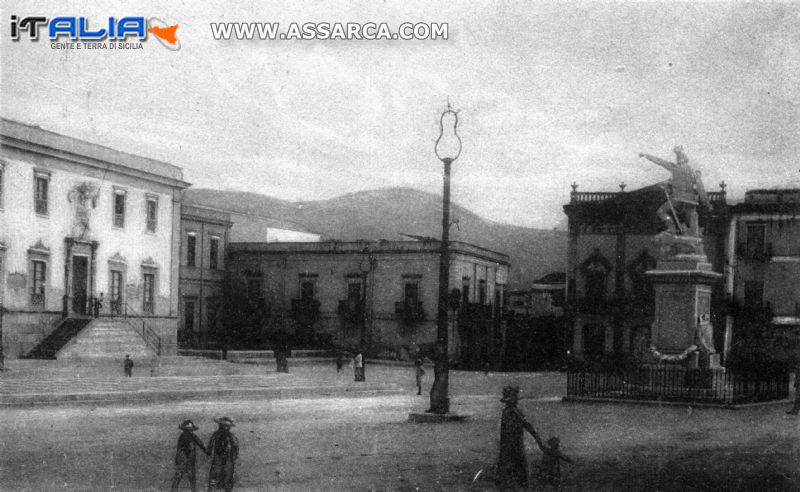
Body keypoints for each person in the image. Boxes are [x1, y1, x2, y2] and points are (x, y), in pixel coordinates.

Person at [639, 146, 710, 236]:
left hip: (678, 200)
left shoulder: (674, 168)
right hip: (691, 202)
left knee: (661, 211)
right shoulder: (694, 173)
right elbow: (701, 190)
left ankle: (671, 228)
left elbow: (659, 161)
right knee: (690, 222)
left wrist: (646, 155)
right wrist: (707, 204)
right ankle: (693, 231)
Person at [496, 385, 537, 490]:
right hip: (514, 443)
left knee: (510, 465)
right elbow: (526, 424)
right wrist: (537, 438)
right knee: (518, 465)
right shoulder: (513, 412)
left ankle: (510, 484)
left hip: (509, 443)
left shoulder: (509, 412)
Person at [171, 419, 209, 492]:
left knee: (190, 477)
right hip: (183, 459)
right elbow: (179, 450)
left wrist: (207, 452)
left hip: (189, 460)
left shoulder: (192, 436)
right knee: (179, 476)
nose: (189, 431)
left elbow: (201, 444)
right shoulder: (183, 437)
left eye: (190, 430)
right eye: (187, 430)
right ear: (184, 430)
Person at [207, 417, 239, 491]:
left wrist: (233, 458)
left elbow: (235, 448)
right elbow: (210, 446)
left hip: (227, 460)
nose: (225, 428)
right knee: (214, 479)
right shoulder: (216, 435)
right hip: (218, 459)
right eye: (223, 426)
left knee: (228, 479)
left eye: (227, 426)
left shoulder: (231, 436)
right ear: (220, 425)